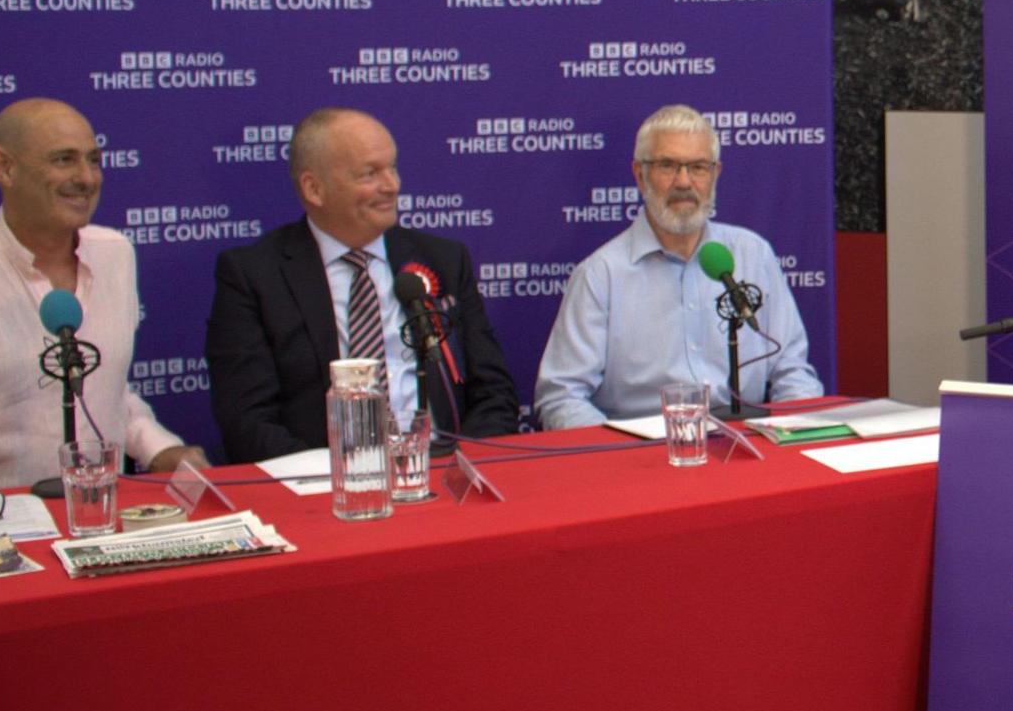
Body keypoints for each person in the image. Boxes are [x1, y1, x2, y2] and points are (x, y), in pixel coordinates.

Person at [0, 98, 204, 501]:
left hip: (105, 516)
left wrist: (161, 449)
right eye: (63, 160)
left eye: (93, 160)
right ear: (5, 167)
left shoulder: (115, 254)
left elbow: (105, 392)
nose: (87, 178)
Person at [206, 107, 518, 462]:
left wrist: (457, 464)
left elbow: (494, 394)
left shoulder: (443, 260)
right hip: (322, 490)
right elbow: (247, 422)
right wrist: (349, 476)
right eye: (370, 174)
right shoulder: (254, 275)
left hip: (440, 476)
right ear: (314, 188)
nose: (392, 186)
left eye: (393, 167)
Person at [535, 105, 820, 428]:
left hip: (744, 448)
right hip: (642, 458)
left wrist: (796, 435)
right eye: (667, 166)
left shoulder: (753, 255)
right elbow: (562, 397)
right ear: (639, 175)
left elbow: (792, 371)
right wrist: (621, 459)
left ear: (715, 174)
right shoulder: (601, 275)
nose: (683, 182)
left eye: (698, 167)